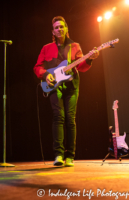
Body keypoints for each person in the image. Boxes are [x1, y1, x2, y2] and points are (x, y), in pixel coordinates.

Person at [33, 16, 99, 167]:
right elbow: (37, 66)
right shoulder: (46, 48)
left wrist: (90, 59)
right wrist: (45, 75)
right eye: (56, 27)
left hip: (72, 86)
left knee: (70, 119)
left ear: (66, 29)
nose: (59, 29)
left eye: (62, 26)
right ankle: (58, 155)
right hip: (54, 86)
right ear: (53, 31)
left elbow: (81, 66)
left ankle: (70, 156)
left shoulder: (75, 46)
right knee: (58, 117)